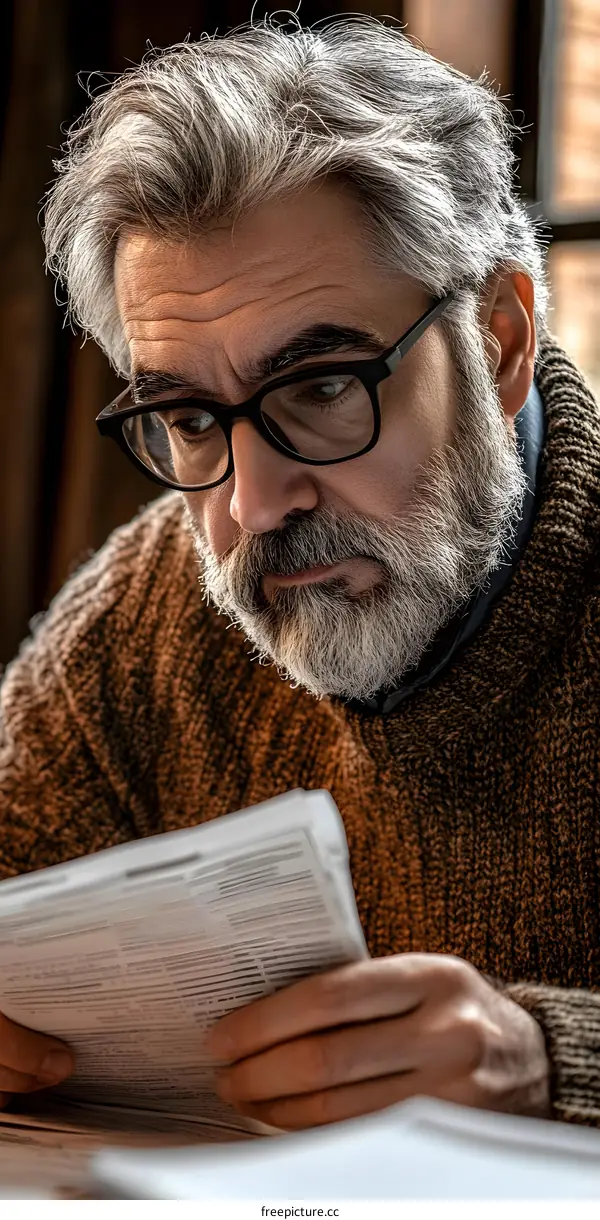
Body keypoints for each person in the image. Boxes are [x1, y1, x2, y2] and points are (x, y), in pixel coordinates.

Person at [0, 15, 598, 1132]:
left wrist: (551, 1063)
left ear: (500, 342)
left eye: (322, 388)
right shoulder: (144, 623)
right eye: (190, 418)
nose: (252, 505)